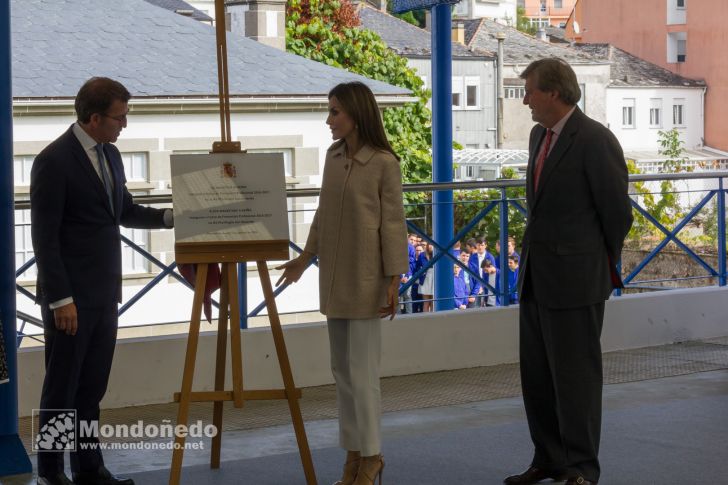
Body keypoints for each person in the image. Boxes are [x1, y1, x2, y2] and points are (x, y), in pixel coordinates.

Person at [31, 77, 173, 485]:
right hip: (70, 299)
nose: (124, 125)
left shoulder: (110, 156)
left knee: (91, 388)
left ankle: (89, 469)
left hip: (105, 292)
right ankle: (52, 472)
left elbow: (123, 209)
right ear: (94, 118)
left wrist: (169, 218)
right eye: (119, 117)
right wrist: (60, 299)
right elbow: (45, 236)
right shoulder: (53, 160)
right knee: (61, 388)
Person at [504, 58, 632, 485]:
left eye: (530, 91)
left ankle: (581, 468)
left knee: (576, 379)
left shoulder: (595, 140)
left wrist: (594, 262)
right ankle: (549, 458)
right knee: (537, 376)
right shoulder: (539, 136)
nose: (525, 100)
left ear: (554, 93)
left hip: (577, 280)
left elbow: (617, 215)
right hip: (537, 278)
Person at [275, 81, 407, 485]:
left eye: (335, 111)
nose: (329, 119)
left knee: (363, 374)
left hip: (368, 278)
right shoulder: (334, 157)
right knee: (343, 373)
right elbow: (323, 214)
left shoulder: (384, 162)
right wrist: (304, 257)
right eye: (329, 111)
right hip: (334, 278)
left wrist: (394, 279)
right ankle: (354, 455)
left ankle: (372, 457)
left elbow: (393, 225)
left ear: (355, 114)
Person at [418, 243, 435, 312]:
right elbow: (417, 266)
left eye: (432, 244)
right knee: (426, 302)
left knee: (434, 302)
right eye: (430, 244)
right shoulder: (422, 255)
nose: (431, 246)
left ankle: (434, 319)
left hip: (435, 278)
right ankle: (426, 319)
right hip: (424, 279)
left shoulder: (438, 254)